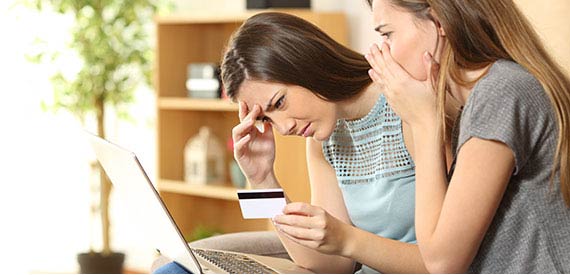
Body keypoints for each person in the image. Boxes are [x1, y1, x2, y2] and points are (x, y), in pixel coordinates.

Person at [156, 12, 429, 274]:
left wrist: (349, 239)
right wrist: (262, 181)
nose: (284, 128)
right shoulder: (323, 140)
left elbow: (447, 263)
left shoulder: (406, 107)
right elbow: (329, 266)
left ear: (306, 64)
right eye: (267, 117)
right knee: (171, 268)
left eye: (279, 102)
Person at [364, 0, 570, 273]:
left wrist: (424, 123)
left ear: (439, 23)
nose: (383, 52)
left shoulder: (501, 92)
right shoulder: (475, 104)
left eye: (387, 34)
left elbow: (442, 261)